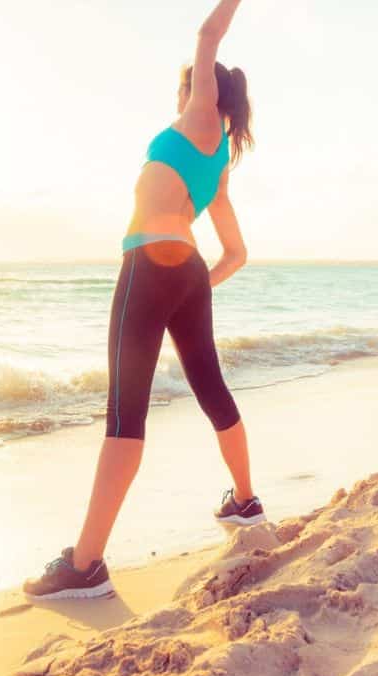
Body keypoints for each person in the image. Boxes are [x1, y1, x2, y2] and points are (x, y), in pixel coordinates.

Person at [23, 0, 264, 600]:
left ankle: (85, 565)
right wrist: (193, 289)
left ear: (201, 90)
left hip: (150, 264)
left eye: (191, 85)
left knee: (125, 414)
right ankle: (244, 501)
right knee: (212, 390)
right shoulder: (218, 165)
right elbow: (235, 253)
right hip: (185, 272)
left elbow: (209, 30)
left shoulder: (198, 117)